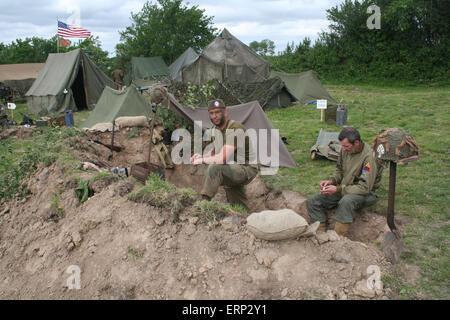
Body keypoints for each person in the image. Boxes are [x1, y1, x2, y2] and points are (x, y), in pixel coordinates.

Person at [306, 127, 383, 236]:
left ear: (356, 143)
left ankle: (337, 238)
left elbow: (365, 188)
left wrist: (338, 189)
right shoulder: (344, 150)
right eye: (342, 146)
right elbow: (339, 170)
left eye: (346, 146)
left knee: (346, 202)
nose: (343, 149)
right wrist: (332, 181)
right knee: (313, 200)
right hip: (346, 188)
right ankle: (320, 233)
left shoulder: (369, 158)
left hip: (365, 193)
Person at [190, 99, 258, 210]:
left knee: (216, 168)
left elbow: (222, 158)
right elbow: (216, 151)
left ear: (225, 112)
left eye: (218, 112)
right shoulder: (214, 130)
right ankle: (244, 220)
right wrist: (201, 156)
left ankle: (203, 205)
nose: (214, 116)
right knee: (238, 207)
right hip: (232, 167)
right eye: (211, 113)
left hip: (246, 169)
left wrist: (201, 161)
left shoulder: (235, 128)